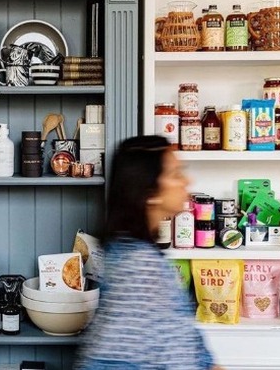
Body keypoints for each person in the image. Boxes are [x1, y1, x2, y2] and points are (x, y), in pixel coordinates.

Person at [75, 135, 223, 370]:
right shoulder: (142, 266)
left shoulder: (123, 246)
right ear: (150, 191)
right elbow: (178, 357)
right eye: (176, 174)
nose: (187, 180)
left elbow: (181, 337)